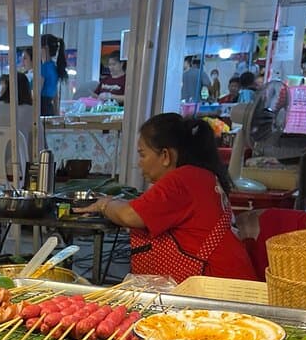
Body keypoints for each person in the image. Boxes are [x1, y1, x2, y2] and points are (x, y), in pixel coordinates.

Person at [75, 112, 256, 283]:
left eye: (143, 154)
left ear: (165, 156)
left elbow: (130, 215)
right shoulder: (202, 175)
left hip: (217, 286)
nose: (139, 163)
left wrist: (104, 204)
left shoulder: (181, 180)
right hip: (233, 278)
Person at [0, 72, 35, 149]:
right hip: (21, 159)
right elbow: (40, 145)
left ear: (6, 89)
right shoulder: (31, 112)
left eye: (2, 86)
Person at [39, 34, 67, 115]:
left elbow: (37, 95)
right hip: (49, 109)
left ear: (45, 48)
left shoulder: (43, 68)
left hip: (41, 110)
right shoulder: (54, 67)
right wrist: (57, 115)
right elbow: (55, 96)